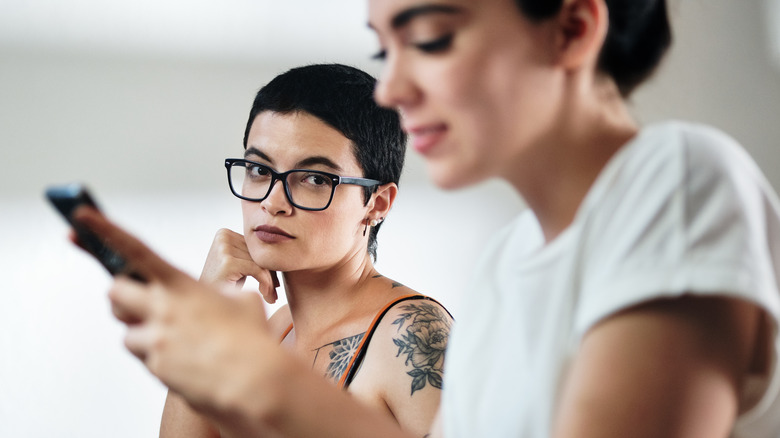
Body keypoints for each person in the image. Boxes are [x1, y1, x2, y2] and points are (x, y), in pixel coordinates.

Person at [69, 0, 780, 436]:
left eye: (432, 37)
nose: (392, 87)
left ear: (570, 28)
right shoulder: (508, 264)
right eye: (385, 48)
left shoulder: (676, 180)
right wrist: (208, 359)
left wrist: (255, 378)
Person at [156, 63, 451, 437]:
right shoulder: (277, 331)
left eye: (314, 179)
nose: (272, 202)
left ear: (377, 204)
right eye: (259, 171)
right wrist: (204, 309)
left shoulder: (410, 333)